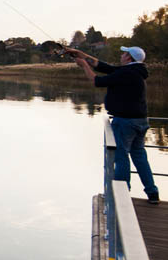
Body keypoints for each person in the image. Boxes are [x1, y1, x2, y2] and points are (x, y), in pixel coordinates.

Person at [66, 45, 159, 204]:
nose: (121, 55)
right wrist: (80, 54)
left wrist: (84, 66)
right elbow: (104, 66)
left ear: (129, 58)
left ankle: (121, 197)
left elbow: (97, 81)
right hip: (141, 121)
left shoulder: (126, 73)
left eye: (124, 54)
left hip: (125, 122)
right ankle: (152, 193)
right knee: (140, 157)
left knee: (121, 157)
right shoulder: (135, 71)